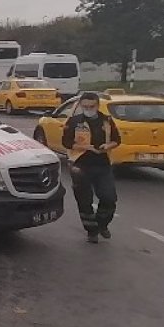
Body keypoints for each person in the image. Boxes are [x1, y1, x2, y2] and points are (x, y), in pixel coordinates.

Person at [62, 92, 121, 243]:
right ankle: (91, 231)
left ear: (98, 105)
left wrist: (107, 145)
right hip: (80, 165)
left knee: (109, 198)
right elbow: (66, 142)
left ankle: (102, 224)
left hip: (103, 164)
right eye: (85, 106)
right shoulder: (74, 121)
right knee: (84, 200)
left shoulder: (107, 121)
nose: (88, 109)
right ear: (81, 106)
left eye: (91, 106)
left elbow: (117, 140)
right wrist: (86, 147)